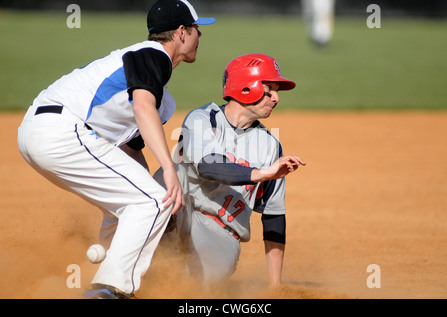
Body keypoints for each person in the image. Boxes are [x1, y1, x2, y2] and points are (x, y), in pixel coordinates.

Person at [17, 0, 215, 299]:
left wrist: (151, 187)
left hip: (39, 133)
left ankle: (114, 269)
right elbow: (143, 106)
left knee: (134, 203)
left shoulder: (150, 76)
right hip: (63, 132)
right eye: (197, 29)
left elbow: (131, 150)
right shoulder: (153, 55)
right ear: (181, 32)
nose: (201, 36)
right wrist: (169, 171)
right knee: (151, 203)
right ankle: (110, 289)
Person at [155, 53, 306, 287]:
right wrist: (261, 173)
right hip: (183, 212)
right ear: (246, 87)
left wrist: (276, 285)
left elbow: (273, 216)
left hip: (221, 236)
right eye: (269, 89)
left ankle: (169, 271)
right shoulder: (204, 119)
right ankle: (142, 260)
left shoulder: (270, 145)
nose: (276, 98)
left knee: (189, 290)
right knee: (170, 174)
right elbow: (208, 165)